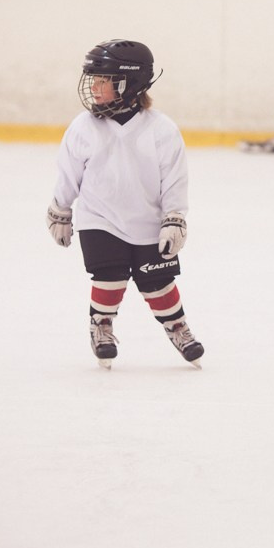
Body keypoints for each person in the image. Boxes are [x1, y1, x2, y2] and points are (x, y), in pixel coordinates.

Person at [46, 39, 205, 369]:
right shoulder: (83, 127)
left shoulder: (161, 129)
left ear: (130, 84)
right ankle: (101, 325)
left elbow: (175, 178)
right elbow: (68, 172)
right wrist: (61, 209)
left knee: (157, 281)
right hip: (98, 218)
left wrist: (174, 217)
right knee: (109, 274)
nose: (94, 87)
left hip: (148, 219)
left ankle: (177, 326)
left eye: (103, 80)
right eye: (93, 79)